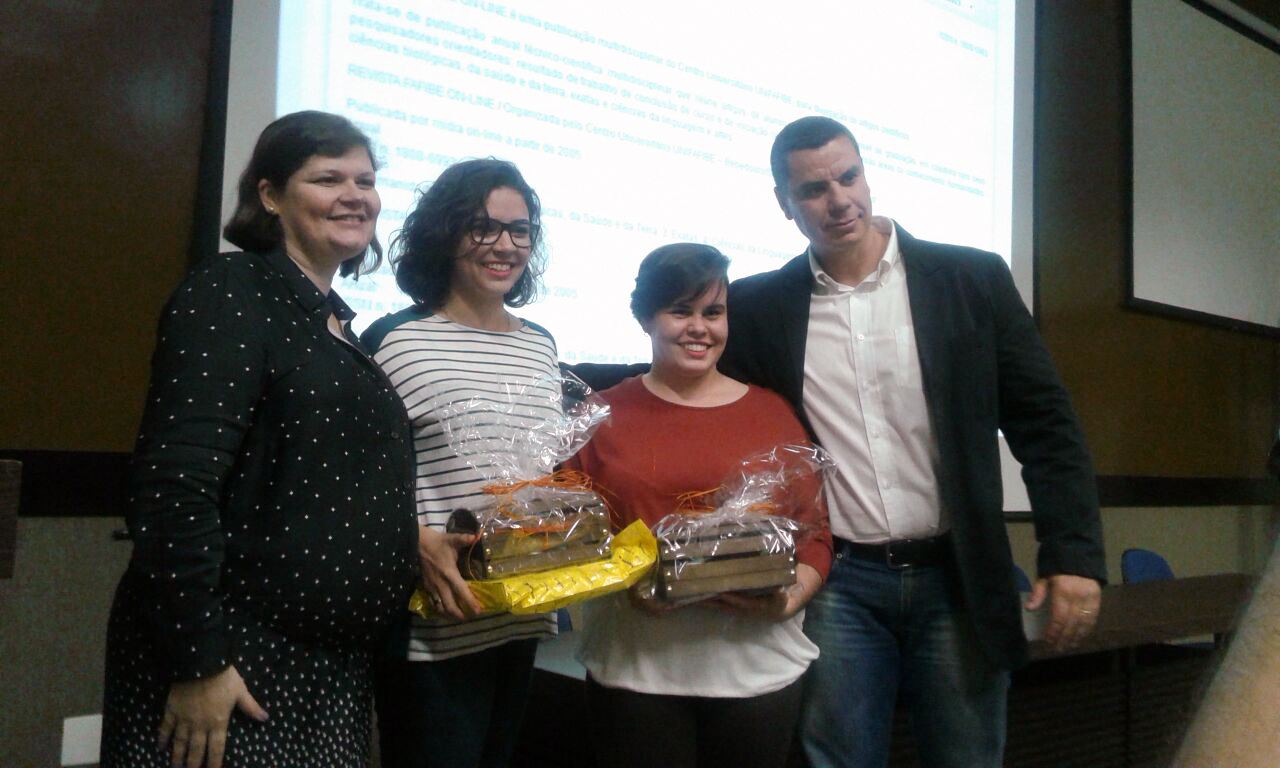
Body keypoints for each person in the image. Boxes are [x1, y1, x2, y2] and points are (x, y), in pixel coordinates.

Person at [717, 116, 1107, 768]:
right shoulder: (759, 306)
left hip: (957, 577)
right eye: (814, 190)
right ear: (785, 203)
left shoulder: (971, 279)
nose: (839, 200)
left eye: (848, 177)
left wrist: (1074, 554)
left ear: (866, 174)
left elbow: (1047, 424)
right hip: (836, 582)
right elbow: (702, 395)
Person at [101, 111, 419, 768]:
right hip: (236, 660)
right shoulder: (234, 292)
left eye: (365, 180)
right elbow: (173, 488)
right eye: (328, 178)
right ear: (270, 196)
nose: (355, 195)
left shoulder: (335, 325)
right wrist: (199, 661)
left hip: (328, 669)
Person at [564, 243, 834, 768]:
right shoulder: (599, 415)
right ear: (645, 318)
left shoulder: (771, 412)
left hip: (757, 670)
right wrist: (623, 585)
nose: (699, 328)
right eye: (680, 311)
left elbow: (815, 534)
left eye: (713, 312)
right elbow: (571, 538)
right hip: (636, 668)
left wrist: (790, 598)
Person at [361, 158, 559, 768]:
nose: (506, 245)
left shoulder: (541, 345)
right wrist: (410, 540)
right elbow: (358, 484)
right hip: (434, 623)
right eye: (482, 227)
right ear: (444, 235)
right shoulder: (396, 341)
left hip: (522, 613)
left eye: (519, 230)